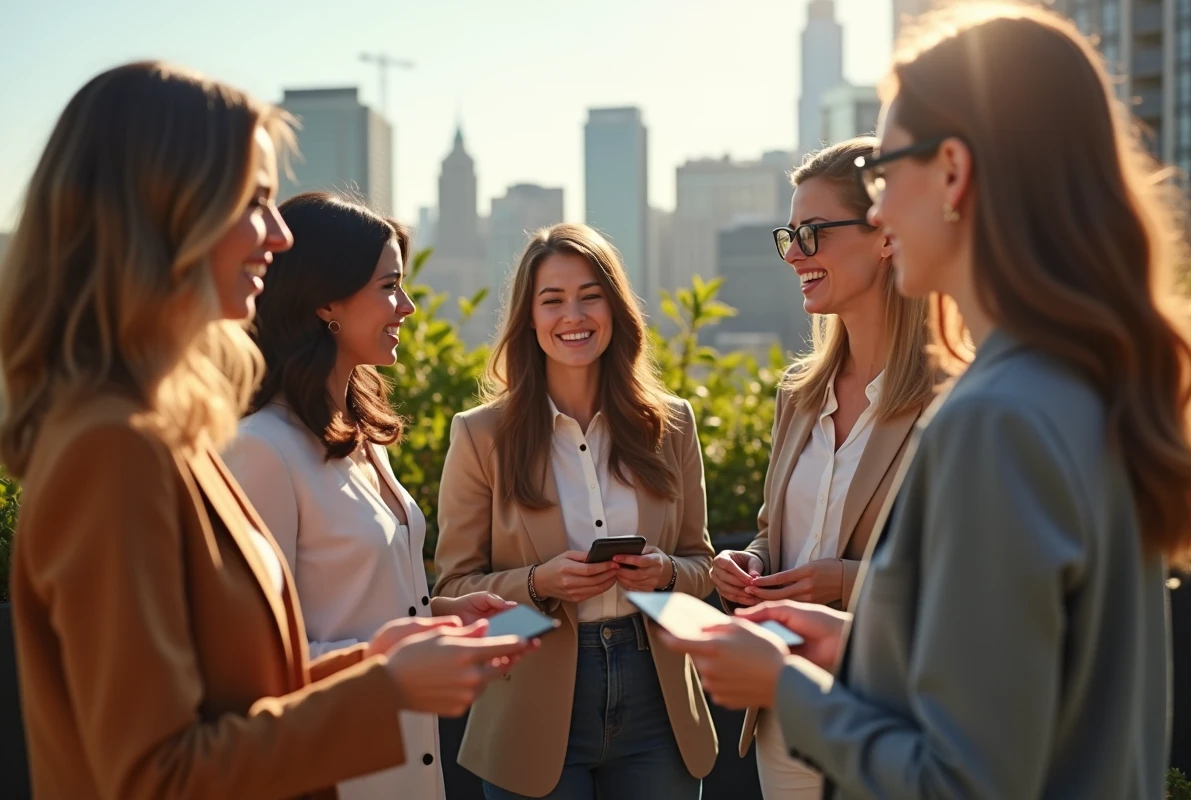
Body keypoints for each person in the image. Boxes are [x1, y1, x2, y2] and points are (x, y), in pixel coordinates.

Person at [662, 4, 1191, 798]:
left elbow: (963, 782)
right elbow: (1033, 699)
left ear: (952, 172)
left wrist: (783, 688)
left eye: (884, 176)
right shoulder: (1082, 385)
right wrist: (858, 645)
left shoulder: (996, 418)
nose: (878, 211)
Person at [0, 61, 528, 799]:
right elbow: (158, 776)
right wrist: (386, 688)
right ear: (165, 214)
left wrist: (380, 660)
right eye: (253, 204)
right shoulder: (111, 449)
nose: (279, 237)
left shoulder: (165, 431)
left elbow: (231, 693)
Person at [223, 190, 516, 800]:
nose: (407, 307)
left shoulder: (360, 436)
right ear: (325, 298)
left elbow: (357, 602)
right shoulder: (262, 450)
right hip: (337, 775)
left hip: (409, 762)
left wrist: (436, 616)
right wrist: (389, 659)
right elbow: (252, 665)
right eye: (389, 286)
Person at [433, 223, 718, 799]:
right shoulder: (481, 435)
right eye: (553, 300)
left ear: (614, 309)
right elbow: (455, 586)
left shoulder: (672, 424)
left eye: (591, 295)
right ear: (529, 318)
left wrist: (664, 573)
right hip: (531, 697)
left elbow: (702, 567)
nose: (574, 316)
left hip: (656, 698)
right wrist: (540, 584)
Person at [709, 137, 935, 799]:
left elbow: (971, 589)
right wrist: (749, 562)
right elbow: (773, 531)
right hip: (781, 723)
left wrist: (843, 580)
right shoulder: (799, 396)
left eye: (811, 232)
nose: (792, 253)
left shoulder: (953, 401)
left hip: (887, 724)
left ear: (885, 234)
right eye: (789, 232)